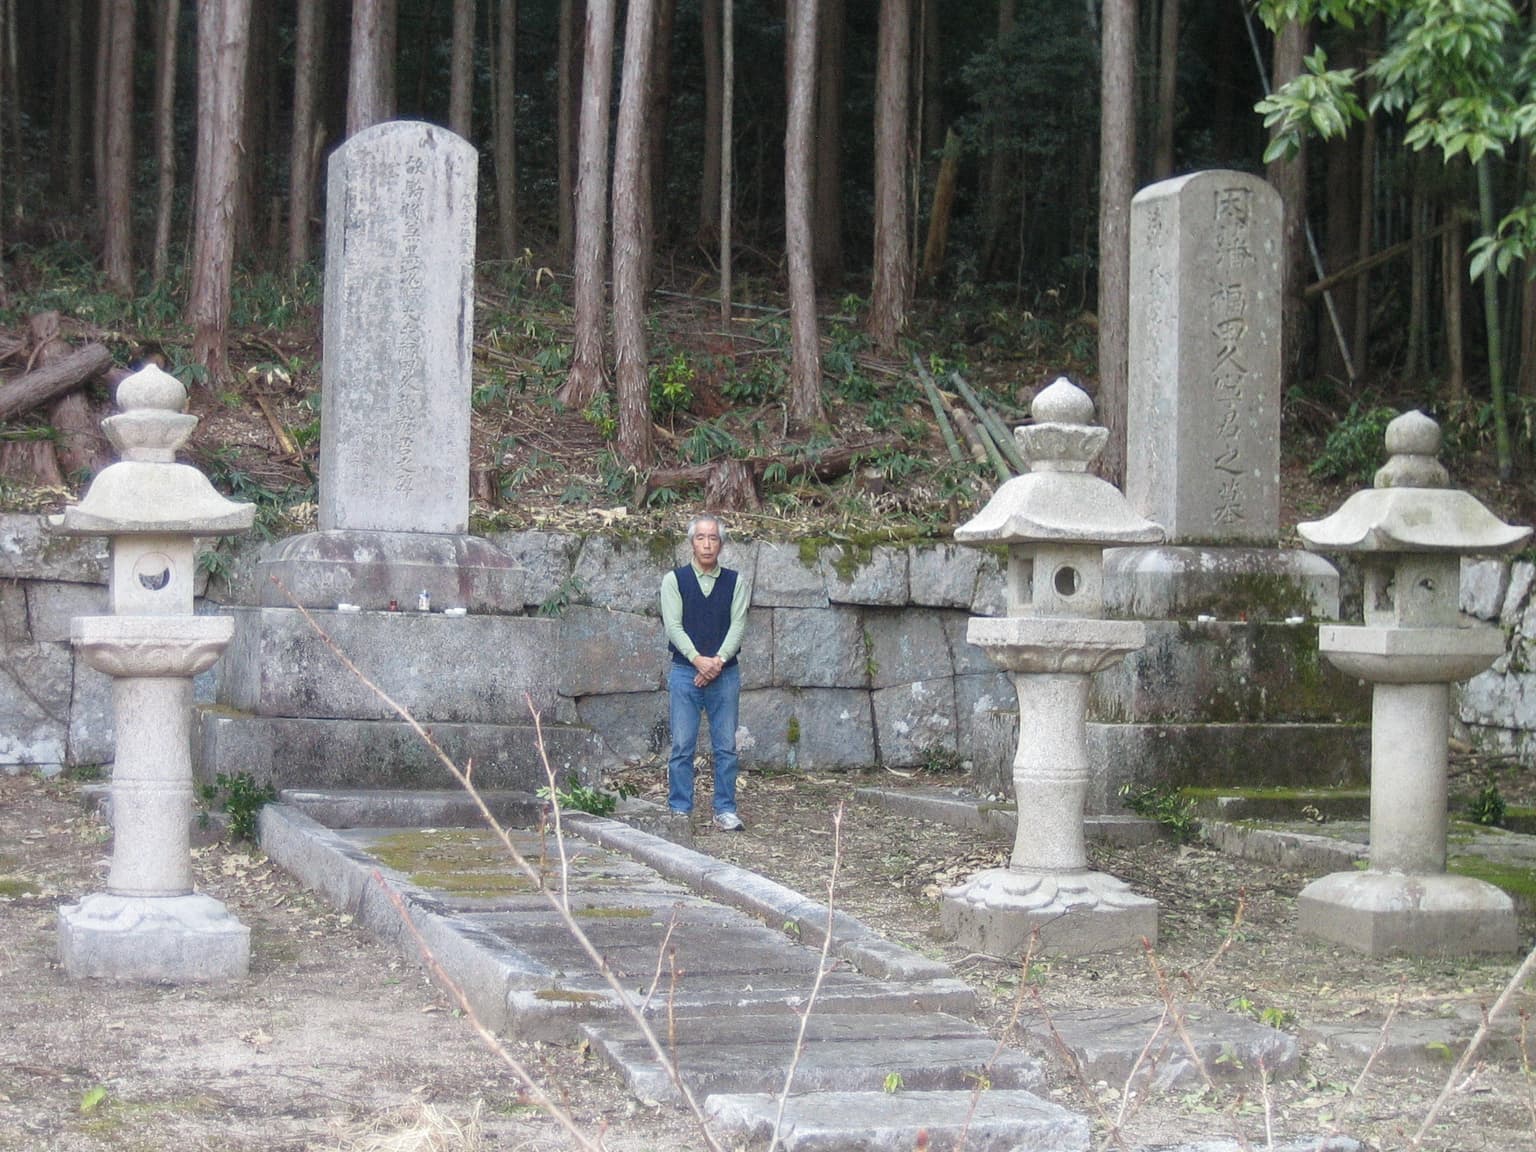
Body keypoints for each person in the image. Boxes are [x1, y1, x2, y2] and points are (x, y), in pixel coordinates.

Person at [659, 514, 750, 831]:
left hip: (725, 674)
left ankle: (725, 809)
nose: (707, 543)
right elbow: (673, 626)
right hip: (686, 672)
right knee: (682, 745)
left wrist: (717, 662)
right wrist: (699, 660)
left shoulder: (735, 582)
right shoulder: (675, 581)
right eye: (701, 537)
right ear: (692, 542)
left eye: (713, 538)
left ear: (721, 544)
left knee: (725, 746)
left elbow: (738, 625)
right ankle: (680, 808)